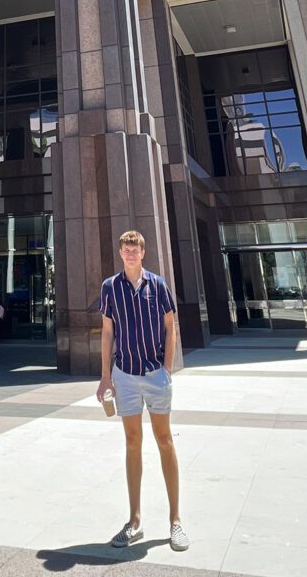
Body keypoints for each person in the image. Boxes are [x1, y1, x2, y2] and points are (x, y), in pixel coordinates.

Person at [96, 230, 188, 552]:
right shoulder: (110, 287)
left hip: (154, 375)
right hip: (125, 376)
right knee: (132, 442)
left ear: (143, 253)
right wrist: (105, 377)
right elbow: (108, 333)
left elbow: (170, 325)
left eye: (135, 249)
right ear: (120, 253)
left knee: (164, 440)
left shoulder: (158, 284)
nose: (131, 254)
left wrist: (167, 368)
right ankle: (134, 521)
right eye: (126, 249)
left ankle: (175, 521)